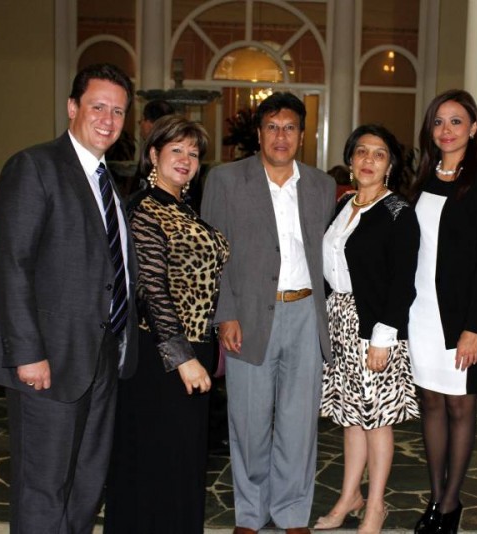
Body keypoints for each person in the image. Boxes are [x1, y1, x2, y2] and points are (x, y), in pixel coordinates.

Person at [0, 63, 138, 533]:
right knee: (43, 488)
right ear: (73, 108)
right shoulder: (35, 166)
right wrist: (27, 354)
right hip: (46, 362)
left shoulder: (110, 183)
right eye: (98, 107)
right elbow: (11, 264)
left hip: (103, 358)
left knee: (87, 484)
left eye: (118, 111)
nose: (108, 120)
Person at [201, 92, 335, 534]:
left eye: (290, 127)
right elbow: (212, 257)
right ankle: (251, 513)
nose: (282, 136)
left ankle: (294, 511)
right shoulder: (225, 180)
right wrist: (225, 314)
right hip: (249, 317)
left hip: (304, 314)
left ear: (303, 134)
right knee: (249, 420)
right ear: (259, 133)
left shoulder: (321, 185)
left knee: (299, 423)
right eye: (273, 127)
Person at [103, 116, 229, 533]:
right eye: (177, 149)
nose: (187, 159)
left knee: (183, 464)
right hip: (161, 358)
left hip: (196, 349)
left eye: (194, 153)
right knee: (154, 465)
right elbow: (150, 290)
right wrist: (182, 358)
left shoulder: (183, 208)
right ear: (153, 154)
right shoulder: (143, 208)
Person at [407, 89, 477, 534]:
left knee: (460, 408)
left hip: (460, 317)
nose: (446, 130)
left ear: (473, 127)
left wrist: (474, 328)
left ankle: (450, 505)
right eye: (438, 122)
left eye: (455, 121)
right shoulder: (420, 179)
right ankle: (434, 497)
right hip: (420, 312)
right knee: (430, 401)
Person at [315, 124, 420, 533]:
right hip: (338, 320)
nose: (368, 161)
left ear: (390, 164)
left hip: (373, 326)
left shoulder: (398, 211)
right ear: (350, 158)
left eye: (378, 154)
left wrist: (383, 336)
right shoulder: (344, 204)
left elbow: (402, 280)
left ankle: (375, 505)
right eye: (361, 152)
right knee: (351, 417)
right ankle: (348, 497)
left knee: (377, 420)